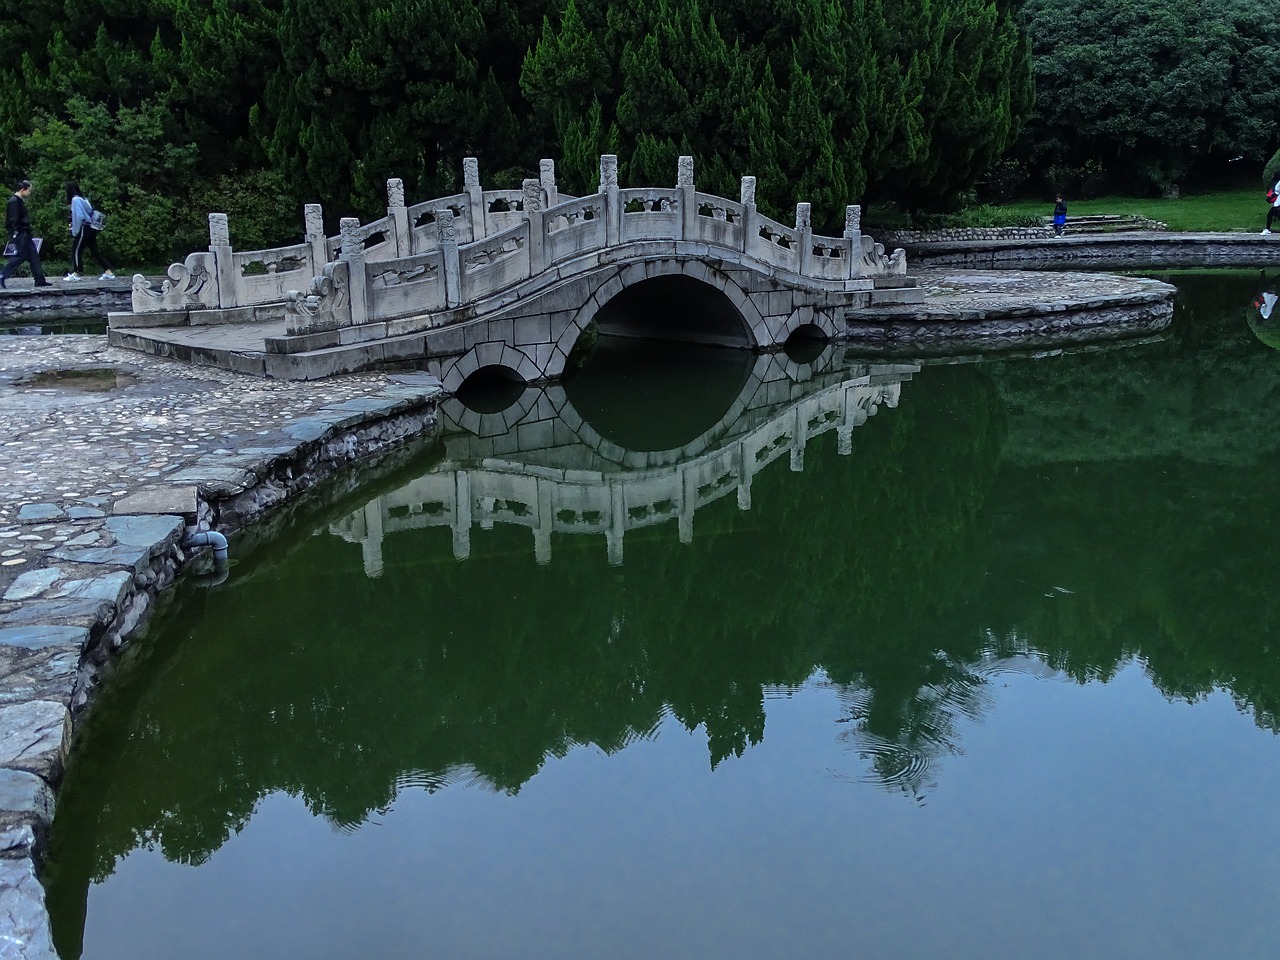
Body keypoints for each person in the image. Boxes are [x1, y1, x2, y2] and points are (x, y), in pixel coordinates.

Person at [0, 180, 51, 289]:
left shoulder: (18, 201)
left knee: (34, 256)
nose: (29, 193)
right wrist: (16, 232)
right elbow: (13, 219)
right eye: (29, 191)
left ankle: (39, 279)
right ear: (23, 189)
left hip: (25, 233)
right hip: (20, 233)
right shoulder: (14, 202)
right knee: (20, 256)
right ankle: (2, 274)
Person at [64, 181, 114, 281]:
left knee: (76, 250)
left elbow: (78, 216)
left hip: (84, 227)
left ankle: (76, 272)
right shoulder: (84, 199)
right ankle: (108, 272)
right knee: (95, 251)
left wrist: (75, 231)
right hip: (92, 227)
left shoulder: (75, 200)